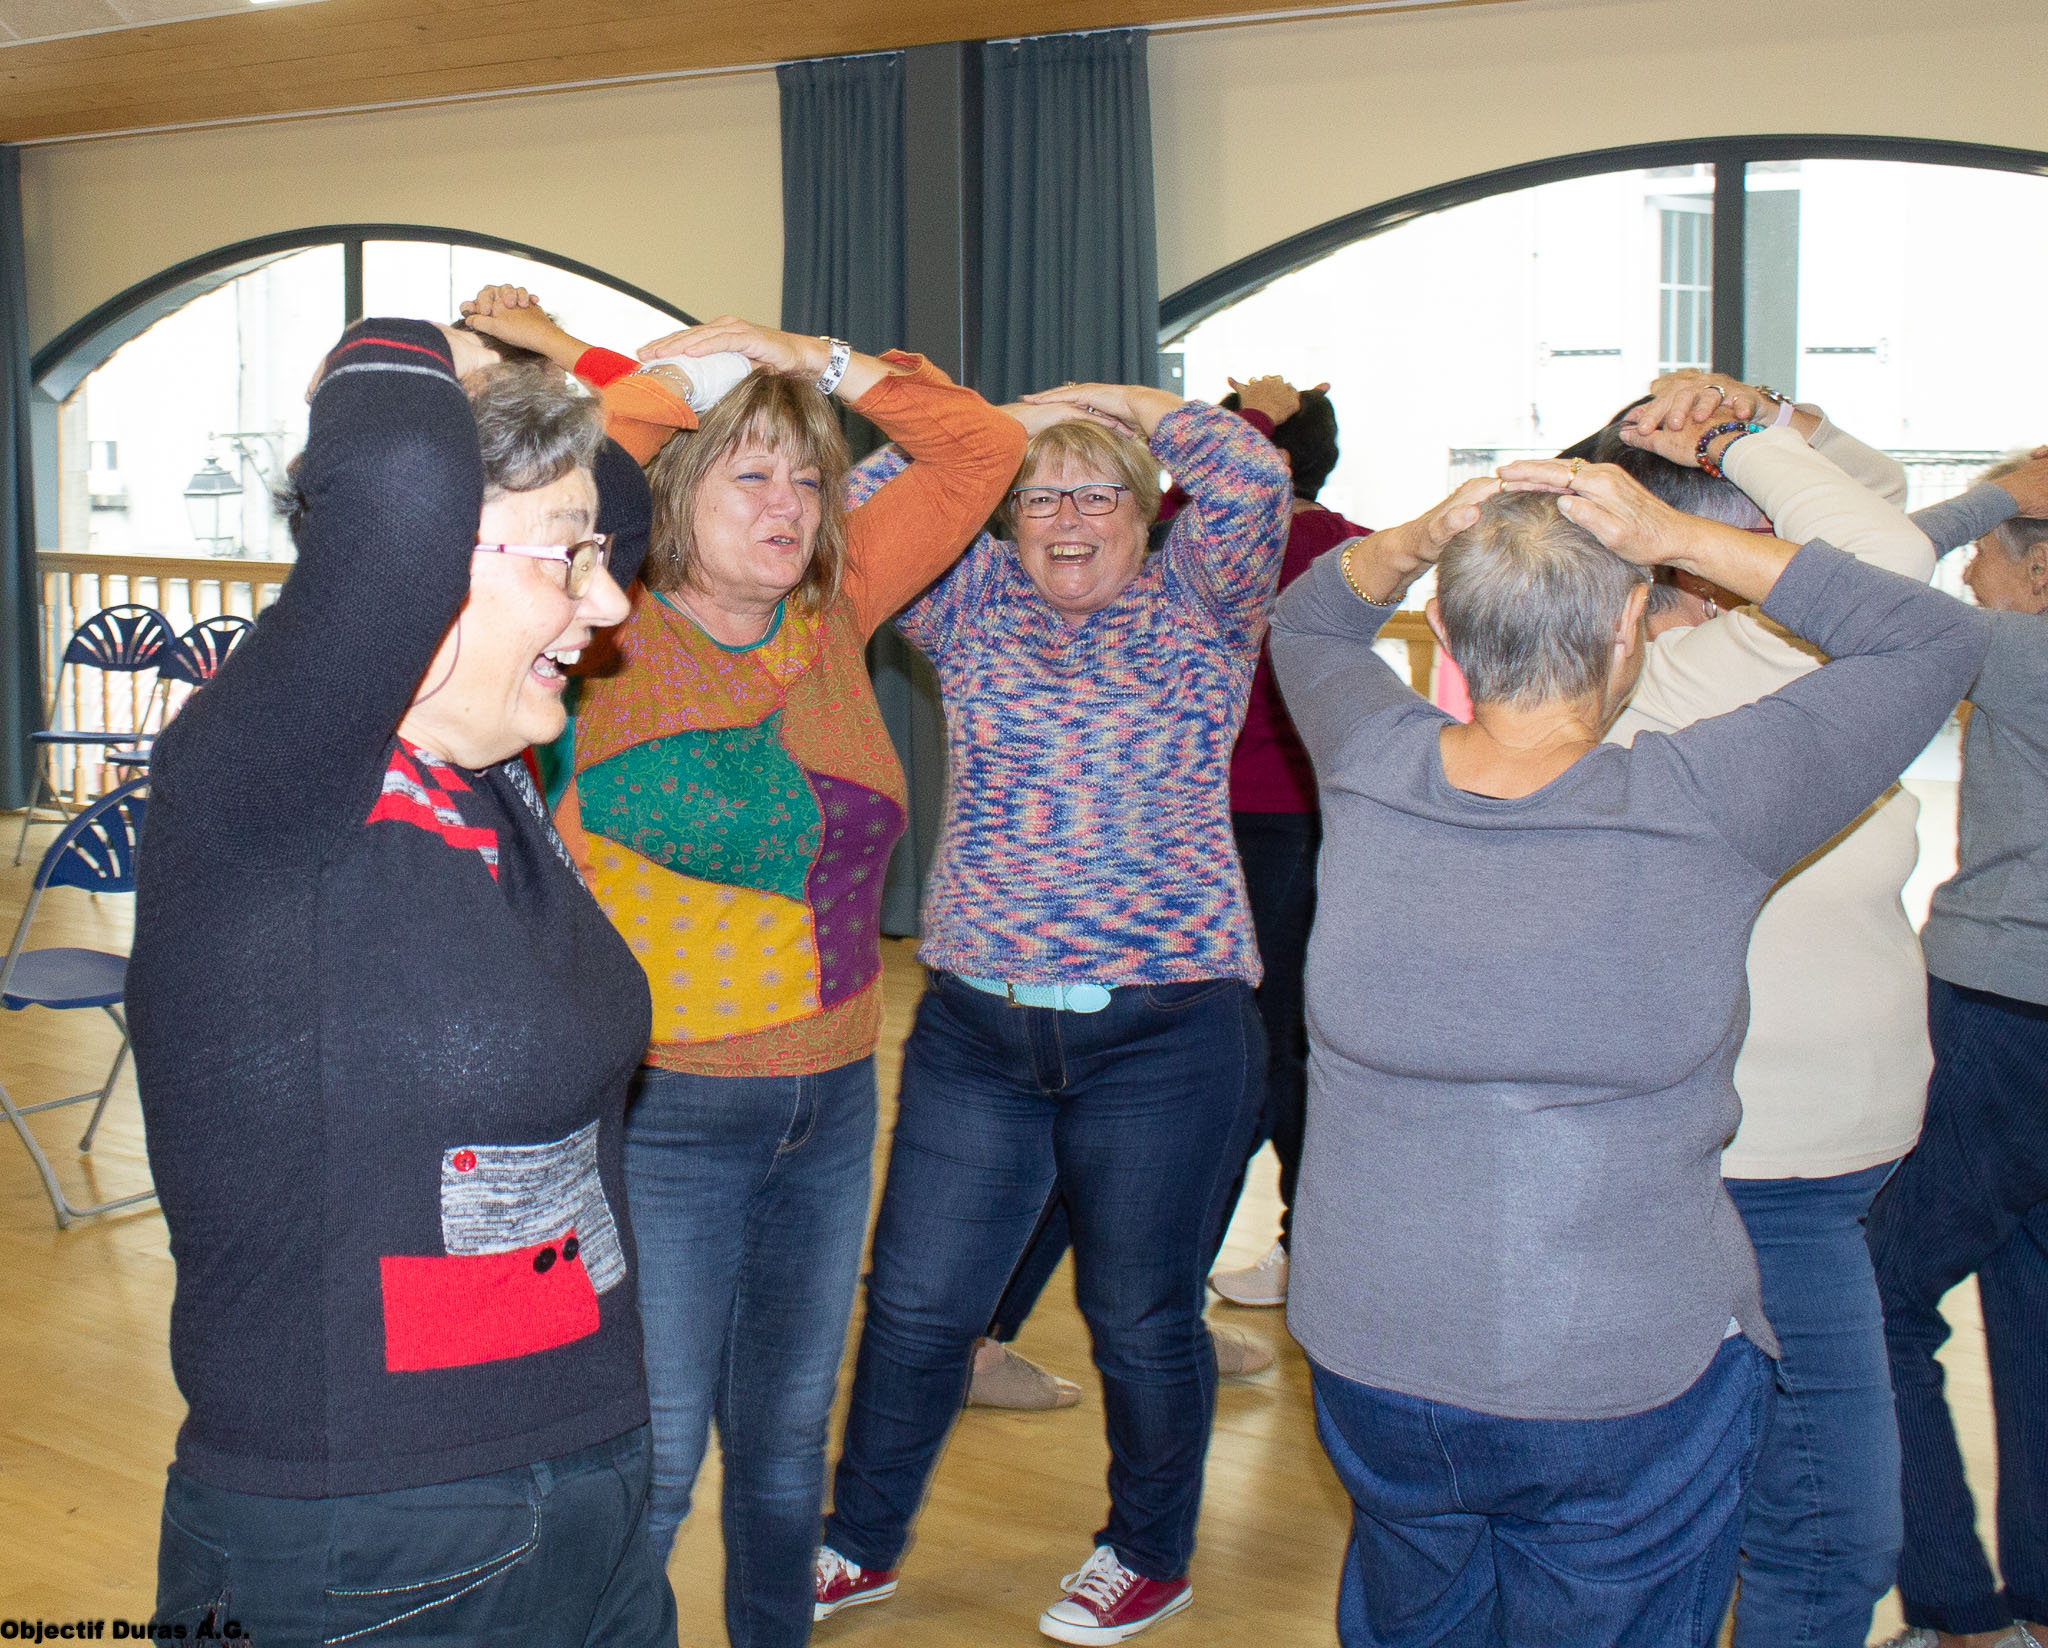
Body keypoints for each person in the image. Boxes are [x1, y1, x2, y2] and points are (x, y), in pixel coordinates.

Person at [1270, 436, 1988, 1648]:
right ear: (1627, 633)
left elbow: (1308, 619)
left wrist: (1420, 538)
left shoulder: (1368, 765)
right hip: (1618, 1383)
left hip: (1372, 1364)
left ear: (1442, 632)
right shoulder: (1702, 799)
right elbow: (1931, 637)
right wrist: (1675, 536)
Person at [462, 289, 1028, 1648]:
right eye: (752, 476)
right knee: (652, 1470)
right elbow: (603, 437)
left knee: (783, 1459)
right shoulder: (597, 631)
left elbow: (982, 451)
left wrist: (818, 363)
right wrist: (708, 371)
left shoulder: (836, 604)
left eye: (810, 481)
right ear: (671, 496)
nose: (791, 507)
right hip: (659, 1112)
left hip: (830, 1100)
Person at [127, 316, 676, 1643]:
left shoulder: (482, 771)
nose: (610, 600)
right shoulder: (267, 783)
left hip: (593, 1476)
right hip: (365, 1531)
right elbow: (401, 481)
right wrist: (411, 339)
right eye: (567, 558)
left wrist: (544, 380)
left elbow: (620, 492)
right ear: (426, 568)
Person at [813, 381, 1292, 1644]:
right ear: (1004, 518)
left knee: (1138, 1317)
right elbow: (862, 511)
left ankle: (1144, 1554)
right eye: (1035, 498)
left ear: (1143, 512)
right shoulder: (970, 603)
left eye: (1094, 494)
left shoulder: (1200, 605)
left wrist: (1116, 403)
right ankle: (856, 1542)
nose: (1066, 518)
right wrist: (1002, 423)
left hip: (1164, 1032)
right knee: (918, 1306)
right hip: (978, 1029)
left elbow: (1249, 476)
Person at [1581, 369, 1945, 1648]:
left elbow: (1875, 503)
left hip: (1826, 1179)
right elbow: (1887, 553)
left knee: (1770, 1516)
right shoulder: (1690, 679)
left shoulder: (1765, 655)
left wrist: (1773, 422)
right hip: (1755, 1187)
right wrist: (1740, 439)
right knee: (1824, 1534)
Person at [966, 372, 1350, 1409]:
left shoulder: (1215, 540)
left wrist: (1231, 417)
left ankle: (1155, 1309)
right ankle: (1165, 1308)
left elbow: (1213, 491)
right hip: (1228, 838)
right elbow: (1224, 492)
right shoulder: (1274, 544)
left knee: (1238, 1076)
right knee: (1236, 1076)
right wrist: (1245, 423)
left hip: (1237, 838)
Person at [1867, 449, 2048, 1648]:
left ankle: (1956, 1616)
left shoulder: (2020, 653)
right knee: (2034, 1305)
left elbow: (1867, 586)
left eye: (1988, 554)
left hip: (1996, 1013)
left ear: (2034, 571)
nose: (1972, 572)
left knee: (1877, 1301)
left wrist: (1988, 499)